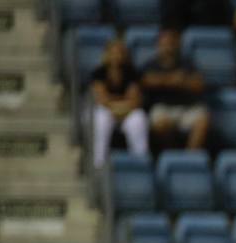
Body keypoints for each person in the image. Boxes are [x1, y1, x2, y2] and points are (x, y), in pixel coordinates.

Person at [139, 29, 210, 152]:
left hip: (187, 108)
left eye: (171, 43)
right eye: (164, 43)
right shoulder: (151, 64)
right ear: (158, 45)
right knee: (160, 124)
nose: (168, 47)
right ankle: (172, 155)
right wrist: (171, 80)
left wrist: (183, 82)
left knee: (203, 120)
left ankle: (189, 157)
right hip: (162, 108)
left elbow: (199, 84)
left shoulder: (186, 63)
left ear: (177, 45)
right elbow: (145, 80)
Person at [89, 38, 149, 168]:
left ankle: (141, 164)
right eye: (113, 52)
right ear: (107, 54)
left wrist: (114, 101)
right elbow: (102, 99)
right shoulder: (99, 73)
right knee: (101, 118)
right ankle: (99, 164)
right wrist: (121, 101)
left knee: (138, 119)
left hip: (127, 113)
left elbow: (134, 101)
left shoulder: (132, 73)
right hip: (108, 112)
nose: (116, 56)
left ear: (125, 55)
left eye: (120, 52)